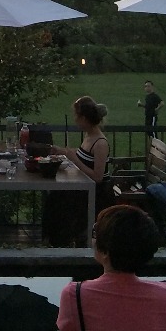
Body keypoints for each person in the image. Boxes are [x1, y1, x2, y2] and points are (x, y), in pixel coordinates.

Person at [49, 96, 113, 247]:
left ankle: (62, 241)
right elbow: (83, 157)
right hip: (83, 188)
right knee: (54, 195)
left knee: (58, 200)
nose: (75, 120)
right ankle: (57, 241)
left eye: (76, 116)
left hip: (96, 194)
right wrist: (62, 151)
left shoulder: (100, 143)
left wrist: (74, 160)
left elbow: (98, 177)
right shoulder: (88, 136)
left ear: (84, 118)